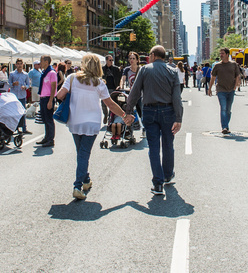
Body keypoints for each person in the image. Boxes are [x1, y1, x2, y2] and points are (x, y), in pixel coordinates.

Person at [58, 53, 134, 199]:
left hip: (75, 121)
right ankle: (78, 185)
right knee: (84, 153)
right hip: (92, 122)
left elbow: (60, 95)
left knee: (81, 152)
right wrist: (124, 116)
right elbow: (110, 104)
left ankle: (85, 180)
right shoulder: (99, 83)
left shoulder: (72, 78)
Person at [127, 45, 183, 196]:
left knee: (153, 147)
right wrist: (178, 118)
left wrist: (127, 110)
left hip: (149, 111)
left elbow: (135, 92)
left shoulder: (145, 69)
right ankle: (167, 175)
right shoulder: (172, 71)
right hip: (168, 111)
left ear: (152, 55)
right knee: (168, 144)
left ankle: (157, 184)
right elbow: (177, 97)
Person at [209, 48, 242, 134]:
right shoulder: (217, 66)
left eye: (223, 53)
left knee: (228, 110)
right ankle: (224, 127)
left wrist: (235, 87)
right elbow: (213, 78)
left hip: (231, 90)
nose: (221, 55)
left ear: (227, 54)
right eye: (220, 54)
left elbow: (237, 76)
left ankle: (226, 124)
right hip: (221, 90)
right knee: (223, 108)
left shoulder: (234, 64)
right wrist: (209, 89)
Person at [36, 55, 58, 148]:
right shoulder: (44, 72)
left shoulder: (51, 73)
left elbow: (53, 87)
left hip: (48, 98)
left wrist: (50, 100)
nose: (40, 63)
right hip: (43, 97)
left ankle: (50, 139)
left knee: (49, 119)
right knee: (45, 119)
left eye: (41, 61)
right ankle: (46, 137)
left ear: (46, 62)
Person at [9, 59, 32, 134]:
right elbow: (8, 83)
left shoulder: (25, 74)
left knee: (23, 112)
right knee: (14, 112)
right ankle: (15, 128)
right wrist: (13, 84)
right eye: (18, 64)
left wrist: (25, 87)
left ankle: (24, 128)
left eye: (20, 64)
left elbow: (28, 84)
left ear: (23, 65)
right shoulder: (12, 74)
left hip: (22, 95)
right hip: (14, 96)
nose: (19, 65)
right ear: (16, 65)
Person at [102, 54, 122, 123]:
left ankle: (110, 117)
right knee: (103, 104)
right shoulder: (103, 69)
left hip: (113, 88)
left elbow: (119, 78)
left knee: (112, 103)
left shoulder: (115, 69)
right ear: (106, 61)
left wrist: (119, 86)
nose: (111, 61)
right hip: (104, 88)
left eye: (112, 60)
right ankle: (105, 114)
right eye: (110, 60)